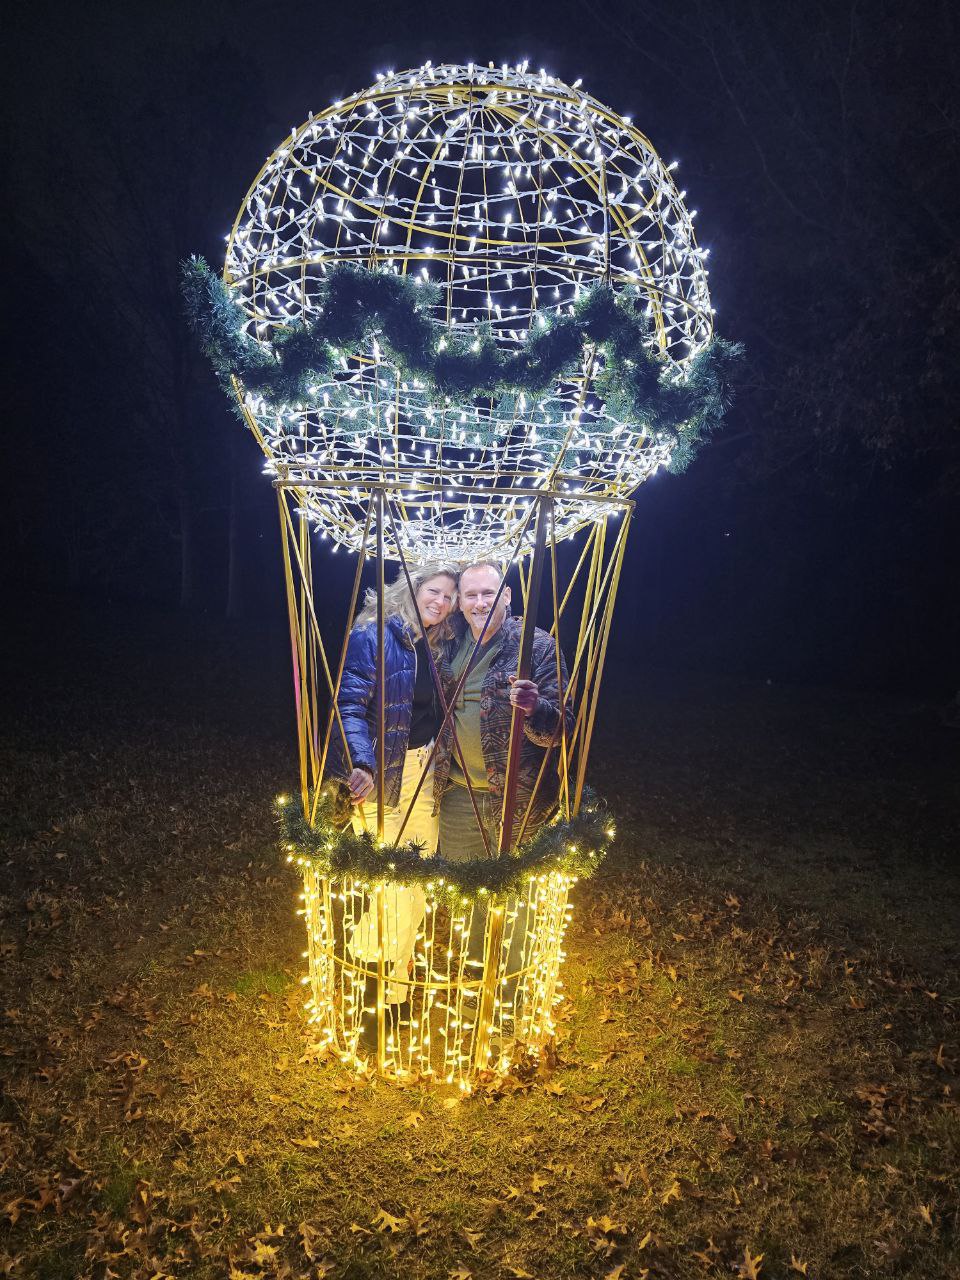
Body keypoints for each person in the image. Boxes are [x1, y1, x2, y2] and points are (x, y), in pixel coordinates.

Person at [433, 561, 573, 1047]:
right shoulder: (450, 643)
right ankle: (475, 992)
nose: (478, 603)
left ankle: (512, 1004)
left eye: (488, 593)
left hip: (517, 798)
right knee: (468, 898)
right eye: (469, 594)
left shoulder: (536, 648)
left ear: (507, 596)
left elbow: (560, 729)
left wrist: (535, 709)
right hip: (458, 793)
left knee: (518, 902)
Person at [324, 562, 458, 1038]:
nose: (441, 602)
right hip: (383, 775)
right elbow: (349, 703)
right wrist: (361, 762)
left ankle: (393, 995)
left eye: (449, 597)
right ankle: (371, 998)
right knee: (393, 886)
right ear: (412, 588)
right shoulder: (374, 634)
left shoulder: (432, 645)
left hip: (424, 772)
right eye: (434, 591)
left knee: (412, 888)